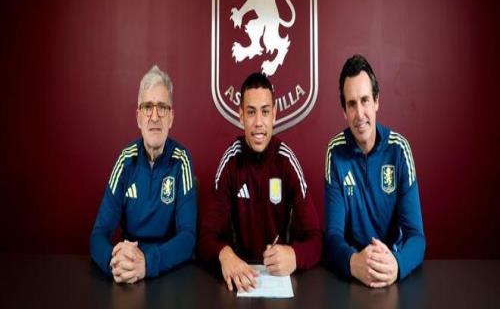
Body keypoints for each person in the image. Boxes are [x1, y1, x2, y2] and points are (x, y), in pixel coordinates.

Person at [198, 72, 322, 292]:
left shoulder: (286, 161)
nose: (258, 123)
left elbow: (316, 239)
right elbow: (205, 237)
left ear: (274, 114)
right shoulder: (230, 161)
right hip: (241, 281)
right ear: (241, 116)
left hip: (278, 280)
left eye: (265, 112)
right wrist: (224, 254)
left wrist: (295, 255)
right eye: (251, 112)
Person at [324, 54, 425, 288]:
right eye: (352, 104)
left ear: (377, 101)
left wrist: (397, 264)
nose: (360, 114)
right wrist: (352, 262)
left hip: (392, 272)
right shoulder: (335, 152)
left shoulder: (399, 150)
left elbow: (416, 237)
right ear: (344, 110)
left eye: (365, 100)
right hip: (352, 277)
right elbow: (332, 235)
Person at [90, 65, 196, 283]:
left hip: (167, 275)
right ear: (138, 117)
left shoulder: (182, 160)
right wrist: (113, 262)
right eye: (148, 107)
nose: (154, 117)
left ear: (171, 117)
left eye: (162, 108)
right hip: (127, 273)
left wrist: (147, 263)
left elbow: (188, 238)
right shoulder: (125, 160)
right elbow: (99, 233)